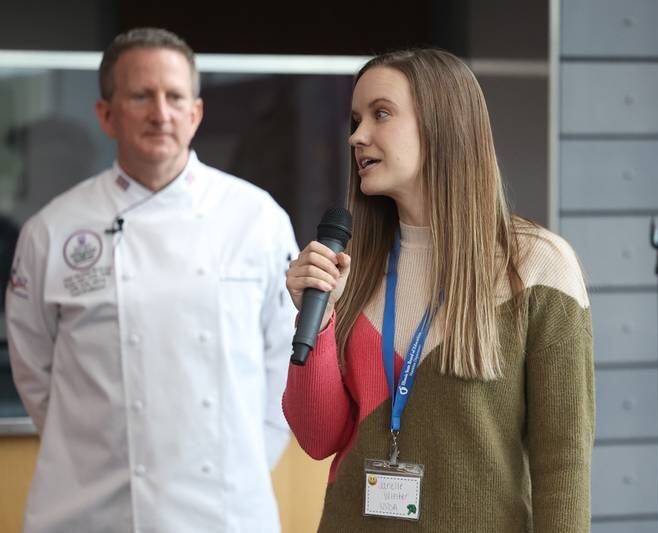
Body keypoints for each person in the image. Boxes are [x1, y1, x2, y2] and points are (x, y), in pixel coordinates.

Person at [283, 49, 595, 532]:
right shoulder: (351, 267)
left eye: (381, 114)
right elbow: (318, 436)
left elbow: (564, 466)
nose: (357, 136)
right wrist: (318, 317)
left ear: (441, 124)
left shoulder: (537, 266)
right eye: (355, 119)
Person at [6, 28, 298, 533]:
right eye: (141, 95)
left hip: (225, 509)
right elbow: (33, 369)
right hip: (88, 508)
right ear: (106, 114)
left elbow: (286, 357)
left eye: (174, 96)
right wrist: (96, 446)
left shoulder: (258, 220)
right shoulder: (52, 230)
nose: (160, 113)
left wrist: (245, 457)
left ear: (196, 113)